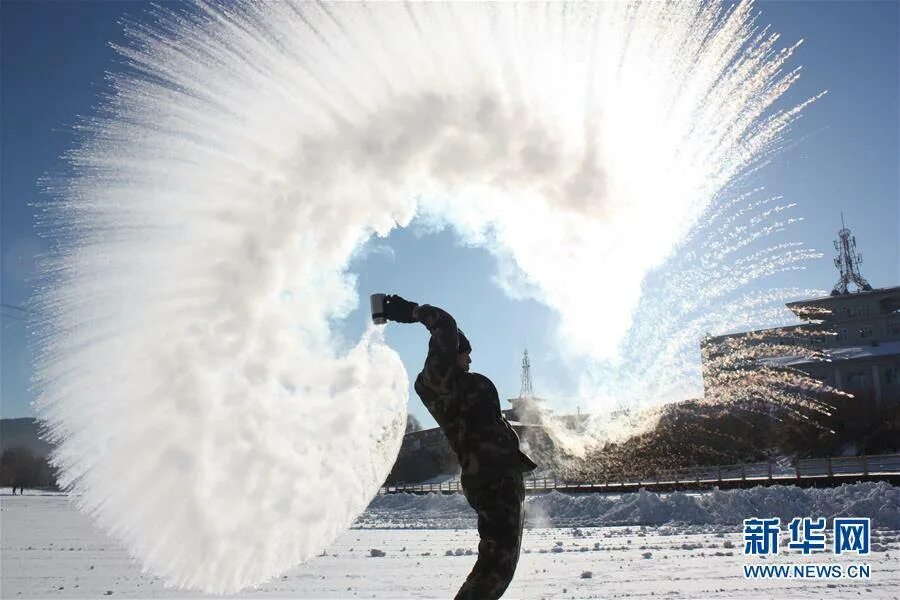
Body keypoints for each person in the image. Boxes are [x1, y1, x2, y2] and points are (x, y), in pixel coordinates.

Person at [381, 294, 538, 600]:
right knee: (495, 567)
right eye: (465, 353)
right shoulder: (438, 382)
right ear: (450, 352)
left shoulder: (460, 384)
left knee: (501, 565)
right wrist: (411, 311)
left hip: (502, 480)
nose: (470, 359)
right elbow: (445, 324)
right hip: (491, 481)